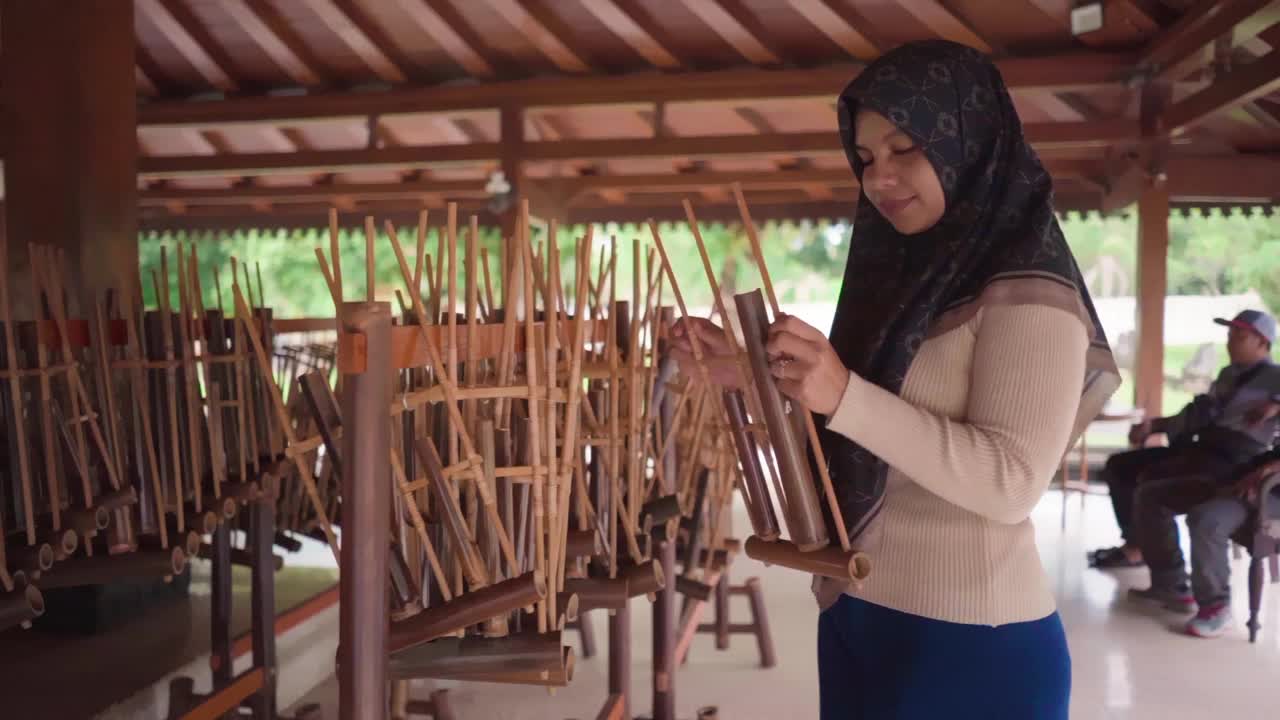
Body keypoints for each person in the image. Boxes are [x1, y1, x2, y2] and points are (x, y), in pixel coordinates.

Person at [670, 40, 1119, 720]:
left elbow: (1010, 481)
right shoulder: (903, 283)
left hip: (971, 643)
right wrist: (750, 376)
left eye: (905, 147)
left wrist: (842, 393)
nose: (880, 176)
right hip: (857, 614)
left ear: (967, 140)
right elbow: (862, 443)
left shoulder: (1031, 294)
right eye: (866, 157)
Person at [1090, 309, 1280, 569]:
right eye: (1230, 333)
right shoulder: (1228, 375)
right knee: (1120, 466)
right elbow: (1201, 413)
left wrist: (1276, 404)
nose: (1230, 339)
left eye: (1240, 334)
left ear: (1262, 342)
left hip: (1236, 457)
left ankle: (1160, 563)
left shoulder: (1274, 376)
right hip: (1202, 446)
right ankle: (1137, 544)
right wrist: (1154, 426)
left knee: (1152, 478)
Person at [1179, 447, 1280, 637]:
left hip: (1273, 493)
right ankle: (1170, 584)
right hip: (1261, 483)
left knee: (1208, 520)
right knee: (1174, 492)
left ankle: (1216, 607)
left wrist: (1270, 470)